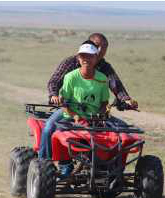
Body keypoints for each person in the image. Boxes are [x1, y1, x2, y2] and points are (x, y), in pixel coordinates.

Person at [37, 41, 112, 181]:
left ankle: (106, 167)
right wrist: (74, 115)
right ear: (78, 58)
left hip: (92, 117)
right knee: (48, 128)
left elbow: (104, 102)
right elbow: (64, 103)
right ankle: (43, 166)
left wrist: (101, 114)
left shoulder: (102, 79)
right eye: (83, 56)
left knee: (116, 132)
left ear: (96, 58)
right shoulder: (70, 77)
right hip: (69, 114)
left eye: (90, 56)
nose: (86, 59)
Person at [48, 33, 136, 110]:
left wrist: (126, 99)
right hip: (69, 108)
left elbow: (115, 84)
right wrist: (54, 95)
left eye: (104, 47)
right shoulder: (71, 62)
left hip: (94, 110)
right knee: (50, 126)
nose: (101, 50)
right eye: (98, 46)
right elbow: (55, 81)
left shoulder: (104, 66)